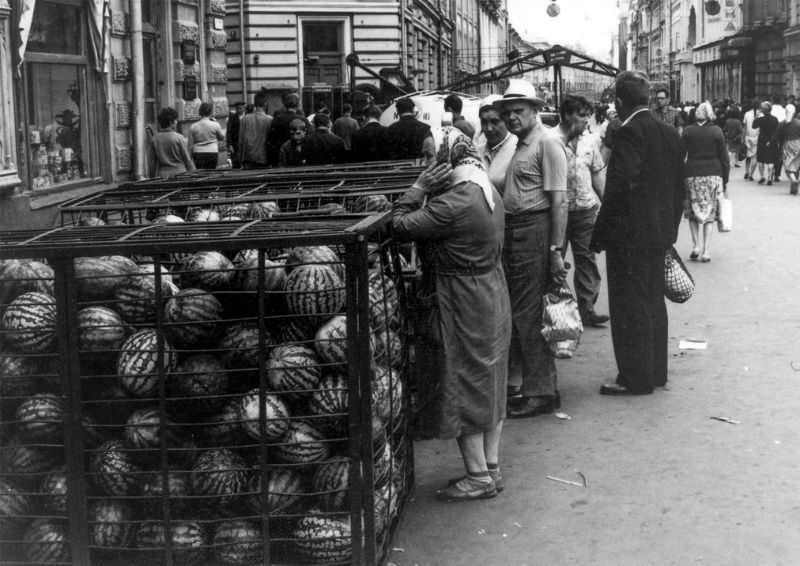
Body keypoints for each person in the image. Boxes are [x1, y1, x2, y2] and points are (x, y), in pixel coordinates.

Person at [392, 126, 511, 502]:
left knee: (462, 381)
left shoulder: (455, 201)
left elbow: (399, 225)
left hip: (461, 298)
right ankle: (490, 467)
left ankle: (477, 477)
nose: (427, 164)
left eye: (432, 157)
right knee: (489, 380)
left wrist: (419, 187)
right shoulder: (484, 187)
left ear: (447, 161)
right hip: (489, 290)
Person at [589, 70, 685, 396]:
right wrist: (669, 230)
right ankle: (656, 372)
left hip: (629, 236)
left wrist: (601, 232)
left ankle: (635, 378)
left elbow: (619, 186)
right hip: (659, 234)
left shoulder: (629, 132)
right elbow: (678, 189)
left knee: (630, 306)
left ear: (618, 102)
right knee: (653, 302)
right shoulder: (669, 132)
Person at [493, 79, 568, 418]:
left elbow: (560, 201)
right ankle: (535, 387)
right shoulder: (523, 143)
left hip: (534, 231)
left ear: (535, 110)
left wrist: (555, 250)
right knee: (522, 312)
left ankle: (542, 392)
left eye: (518, 111)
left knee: (530, 314)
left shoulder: (547, 142)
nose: (511, 118)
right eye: (507, 112)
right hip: (517, 233)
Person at [555, 95, 609, 327]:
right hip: (558, 211)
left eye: (588, 115)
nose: (587, 120)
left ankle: (587, 309)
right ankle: (557, 312)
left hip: (586, 209)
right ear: (567, 115)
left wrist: (607, 205)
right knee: (555, 260)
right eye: (582, 115)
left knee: (587, 260)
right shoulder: (551, 140)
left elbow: (596, 172)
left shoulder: (589, 142)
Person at [682, 101, 729, 263]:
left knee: (693, 212)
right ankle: (706, 252)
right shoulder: (717, 131)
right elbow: (724, 157)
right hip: (713, 174)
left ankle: (696, 246)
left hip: (692, 174)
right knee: (709, 214)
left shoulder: (688, 131)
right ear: (710, 114)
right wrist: (725, 179)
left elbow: (681, 154)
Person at [477, 94, 517, 194]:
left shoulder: (517, 149)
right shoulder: (477, 152)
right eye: (484, 122)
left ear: (506, 120)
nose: (489, 128)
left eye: (495, 122)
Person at [147, 107, 195, 178]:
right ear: (171, 122)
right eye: (175, 120)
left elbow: (152, 164)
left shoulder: (155, 139)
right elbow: (187, 160)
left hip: (163, 176)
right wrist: (193, 174)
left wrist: (151, 178)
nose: (176, 122)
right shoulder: (179, 138)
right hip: (180, 174)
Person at [267, 92, 308, 165]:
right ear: (297, 105)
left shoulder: (277, 119)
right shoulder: (303, 120)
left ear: (285, 105)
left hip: (279, 156)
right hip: (298, 156)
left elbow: (271, 139)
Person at [237, 91, 272, 168]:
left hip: (248, 158)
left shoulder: (245, 119)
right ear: (265, 104)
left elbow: (241, 140)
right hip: (264, 158)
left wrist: (240, 158)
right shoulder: (270, 120)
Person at [188, 102, 225, 170]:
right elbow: (222, 137)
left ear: (200, 112)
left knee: (200, 173)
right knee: (211, 172)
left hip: (198, 152)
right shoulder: (215, 125)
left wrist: (189, 158)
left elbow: (190, 144)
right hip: (212, 152)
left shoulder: (193, 126)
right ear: (210, 112)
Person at [773, 110, 800, 195]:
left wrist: (771, 143)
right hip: (798, 144)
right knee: (797, 167)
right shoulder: (799, 123)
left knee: (788, 167)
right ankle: (797, 181)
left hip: (788, 145)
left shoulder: (782, 123)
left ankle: (794, 180)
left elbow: (776, 136)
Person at [754, 101, 779, 185]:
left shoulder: (761, 119)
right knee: (770, 160)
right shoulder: (775, 119)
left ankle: (762, 177)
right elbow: (777, 131)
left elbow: (754, 126)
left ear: (763, 111)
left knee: (760, 160)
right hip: (772, 141)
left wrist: (756, 116)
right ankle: (769, 178)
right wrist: (772, 140)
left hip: (762, 140)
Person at [742, 99, 760, 181]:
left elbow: (745, 127)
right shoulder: (761, 114)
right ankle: (751, 174)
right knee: (754, 157)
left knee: (748, 156)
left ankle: (746, 170)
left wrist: (743, 137)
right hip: (757, 137)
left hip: (748, 136)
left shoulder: (747, 114)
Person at [226, 102, 245, 168]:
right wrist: (229, 144)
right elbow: (229, 131)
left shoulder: (246, 117)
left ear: (244, 108)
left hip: (244, 143)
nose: (239, 110)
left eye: (240, 108)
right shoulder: (232, 117)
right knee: (235, 162)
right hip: (235, 143)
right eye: (237, 108)